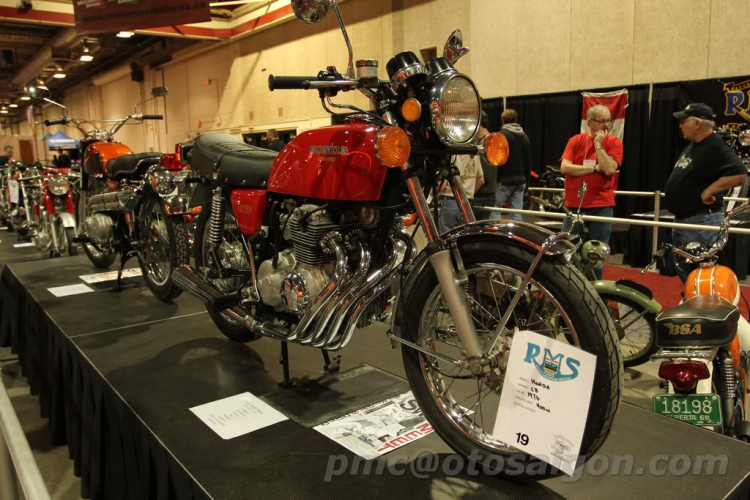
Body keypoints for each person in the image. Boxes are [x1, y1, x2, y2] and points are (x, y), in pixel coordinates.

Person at [665, 103, 747, 281]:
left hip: (701, 219)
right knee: (687, 268)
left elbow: (739, 172)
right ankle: (694, 301)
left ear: (696, 123)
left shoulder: (714, 145)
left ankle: (705, 304)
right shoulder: (694, 145)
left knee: (703, 272)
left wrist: (709, 190)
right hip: (686, 219)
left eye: (683, 121)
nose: (680, 126)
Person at [560, 104, 623, 279]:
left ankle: (595, 293)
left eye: (608, 121)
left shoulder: (614, 143)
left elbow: (609, 169)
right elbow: (565, 168)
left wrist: (598, 145)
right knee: (567, 249)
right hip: (574, 206)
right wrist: (594, 170)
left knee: (597, 253)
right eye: (602, 121)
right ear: (590, 122)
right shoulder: (575, 141)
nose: (606, 125)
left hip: (602, 205)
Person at [491, 108, 531, 221]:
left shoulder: (501, 136)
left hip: (504, 180)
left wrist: (495, 180)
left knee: (495, 210)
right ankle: (516, 236)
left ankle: (494, 236)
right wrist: (527, 184)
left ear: (502, 120)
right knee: (517, 213)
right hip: (521, 181)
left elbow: (497, 161)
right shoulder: (525, 137)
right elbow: (528, 162)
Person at [438, 152, 484, 234]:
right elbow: (481, 180)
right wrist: (468, 193)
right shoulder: (474, 154)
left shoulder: (450, 154)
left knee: (447, 237)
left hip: (450, 200)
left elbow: (442, 186)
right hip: (467, 203)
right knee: (464, 237)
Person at [471, 111, 496, 220]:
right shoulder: (490, 140)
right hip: (489, 193)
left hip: (481, 195)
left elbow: (482, 179)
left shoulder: (484, 144)